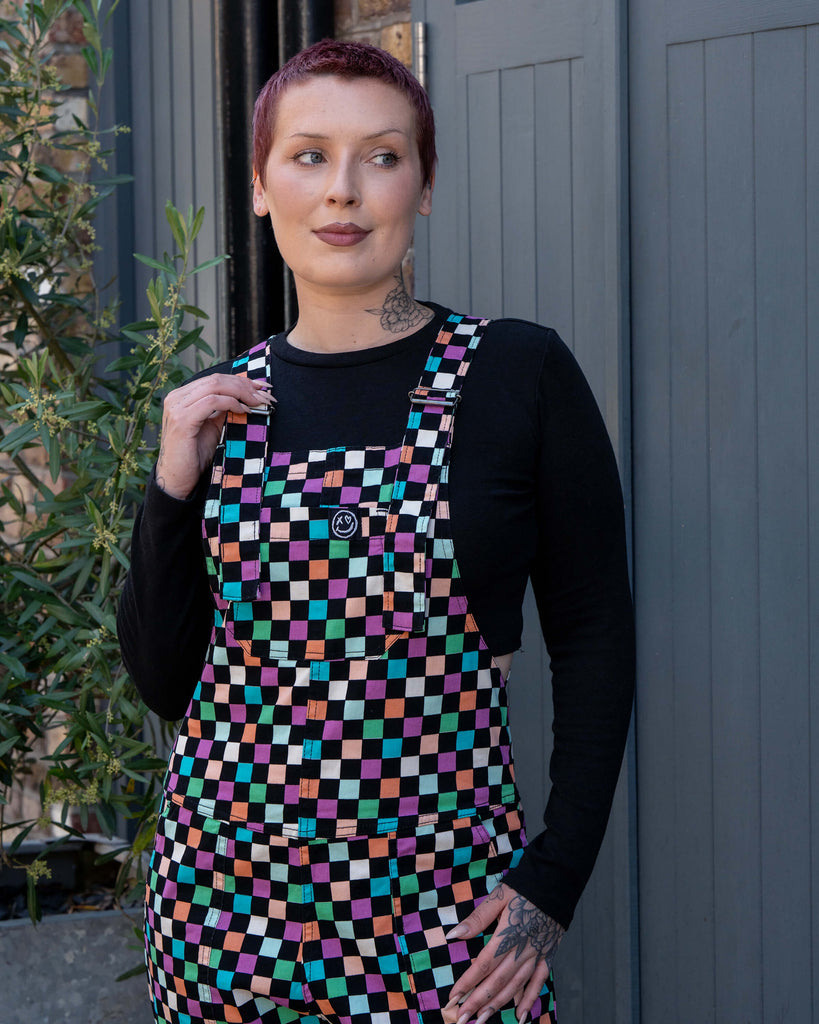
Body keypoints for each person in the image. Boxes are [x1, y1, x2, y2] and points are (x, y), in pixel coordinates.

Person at [118, 39, 634, 1024]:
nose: (342, 191)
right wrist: (172, 483)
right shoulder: (219, 407)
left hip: (447, 920)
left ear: (426, 185)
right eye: (308, 155)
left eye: (382, 156)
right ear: (261, 187)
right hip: (224, 919)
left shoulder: (515, 375)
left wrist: (552, 881)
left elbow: (596, 640)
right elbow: (162, 677)